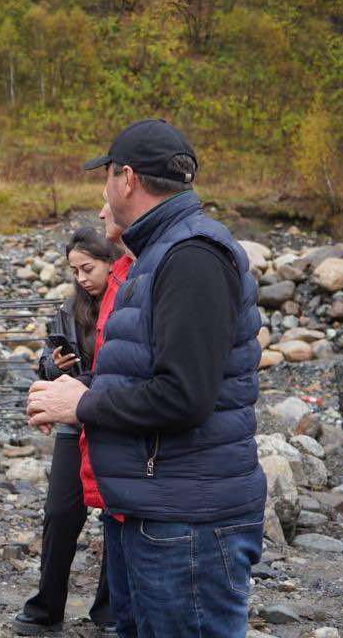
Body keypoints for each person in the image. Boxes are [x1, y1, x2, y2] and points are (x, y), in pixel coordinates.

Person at [27, 119, 265, 638]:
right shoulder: (156, 254)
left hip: (187, 523)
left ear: (127, 178)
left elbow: (185, 396)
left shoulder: (192, 255)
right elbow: (147, 373)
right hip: (156, 512)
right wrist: (73, 391)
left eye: (106, 176)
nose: (103, 194)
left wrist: (82, 404)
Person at [12, 227, 122, 636]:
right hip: (73, 422)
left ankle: (110, 610)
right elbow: (46, 359)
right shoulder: (69, 307)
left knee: (117, 516)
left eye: (87, 268)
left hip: (115, 421)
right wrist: (50, 365)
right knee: (60, 514)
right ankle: (47, 607)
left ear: (111, 262)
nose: (80, 278)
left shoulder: (128, 301)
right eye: (75, 270)